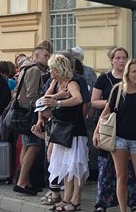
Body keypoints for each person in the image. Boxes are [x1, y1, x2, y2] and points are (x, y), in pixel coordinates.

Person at [95, 60, 136, 212]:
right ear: (127, 73)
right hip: (119, 138)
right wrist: (97, 131)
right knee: (122, 176)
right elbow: (106, 112)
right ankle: (123, 209)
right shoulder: (118, 89)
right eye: (134, 71)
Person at [41, 54, 89, 212]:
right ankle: (67, 198)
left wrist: (59, 102)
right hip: (61, 128)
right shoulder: (55, 82)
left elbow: (78, 99)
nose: (49, 72)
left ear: (57, 69)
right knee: (65, 165)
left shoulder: (72, 82)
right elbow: (44, 99)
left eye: (51, 69)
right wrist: (57, 95)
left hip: (74, 129)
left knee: (76, 164)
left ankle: (76, 200)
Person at [14, 44, 50, 195]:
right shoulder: (34, 70)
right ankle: (22, 182)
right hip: (30, 113)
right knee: (33, 146)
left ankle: (25, 181)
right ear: (35, 56)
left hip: (23, 112)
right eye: (45, 56)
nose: (48, 59)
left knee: (26, 146)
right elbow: (32, 95)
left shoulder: (25, 69)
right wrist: (41, 110)